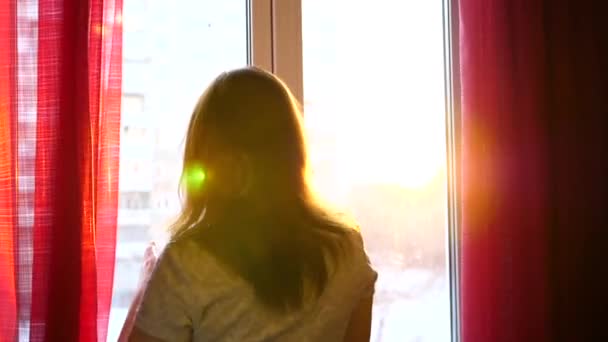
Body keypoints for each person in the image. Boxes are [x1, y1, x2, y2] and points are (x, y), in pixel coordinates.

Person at [120, 67, 377, 341]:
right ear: (293, 153)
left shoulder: (186, 265)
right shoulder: (346, 249)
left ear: (207, 158)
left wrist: (145, 291)